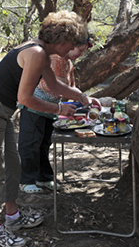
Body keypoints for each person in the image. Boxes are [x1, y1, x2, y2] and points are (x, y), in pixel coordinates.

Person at [0, 10, 100, 247]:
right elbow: (26, 98)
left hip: (0, 112)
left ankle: (13, 216)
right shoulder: (37, 53)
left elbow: (53, 85)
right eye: (73, 43)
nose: (73, 48)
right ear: (62, 40)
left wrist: (82, 97)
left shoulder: (42, 52)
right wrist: (59, 108)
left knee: (12, 163)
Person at [18, 41, 96, 194]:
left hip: (52, 108)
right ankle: (26, 180)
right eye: (79, 50)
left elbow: (70, 86)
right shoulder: (54, 58)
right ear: (69, 45)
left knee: (44, 144)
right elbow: (52, 84)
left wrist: (84, 98)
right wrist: (75, 94)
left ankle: (44, 177)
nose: (80, 55)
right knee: (31, 144)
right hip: (35, 105)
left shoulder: (69, 64)